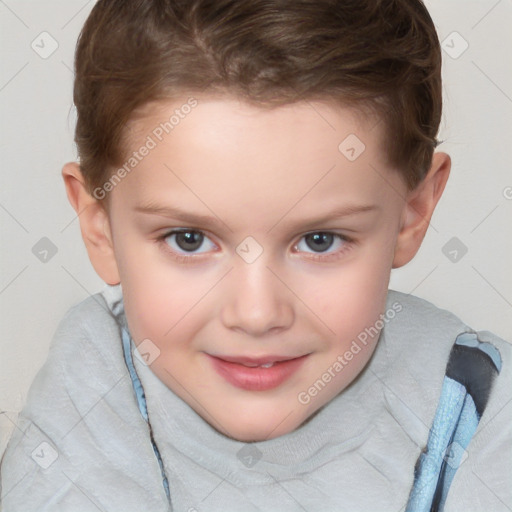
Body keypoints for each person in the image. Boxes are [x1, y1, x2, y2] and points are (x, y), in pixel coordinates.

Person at [1, 0, 510, 510]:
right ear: (101, 228)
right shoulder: (90, 384)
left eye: (319, 240)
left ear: (413, 212)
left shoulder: (476, 403)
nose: (257, 313)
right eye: (189, 240)